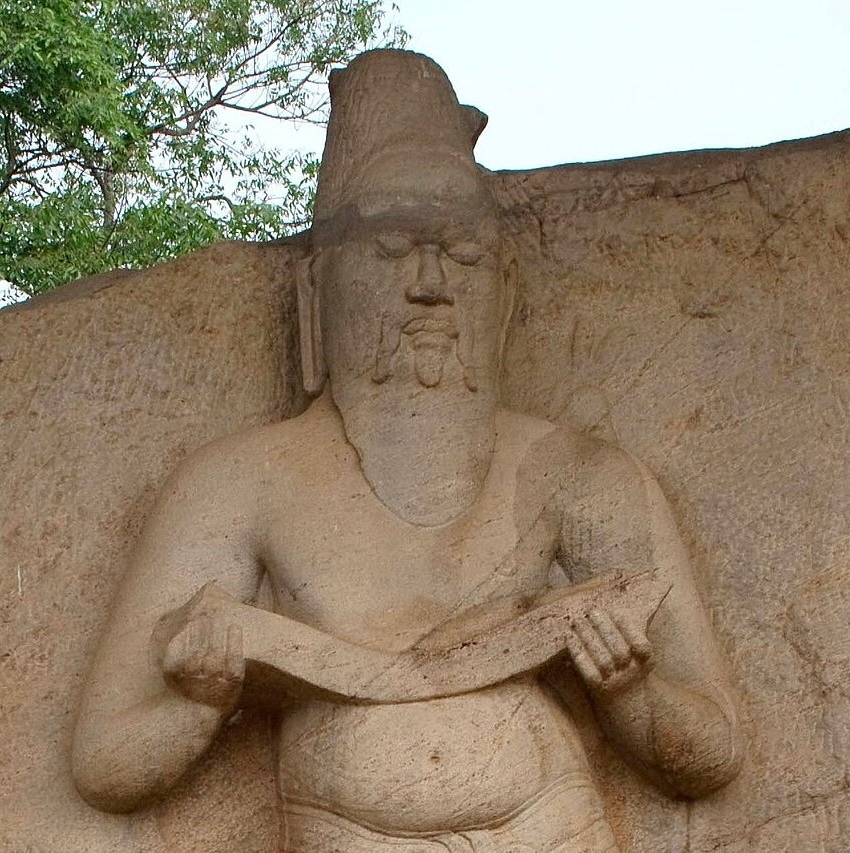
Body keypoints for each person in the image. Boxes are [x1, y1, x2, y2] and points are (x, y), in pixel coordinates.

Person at [72, 49, 741, 852]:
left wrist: (629, 691)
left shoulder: (582, 475)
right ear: (316, 290)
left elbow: (713, 749)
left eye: (463, 254)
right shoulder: (240, 483)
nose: (429, 284)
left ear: (507, 294)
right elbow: (105, 761)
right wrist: (200, 701)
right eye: (389, 249)